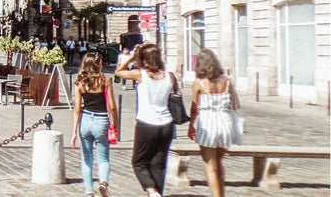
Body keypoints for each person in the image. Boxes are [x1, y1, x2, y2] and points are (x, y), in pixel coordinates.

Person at [115, 43, 176, 197]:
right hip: (167, 124)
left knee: (139, 162)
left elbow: (118, 71)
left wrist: (132, 58)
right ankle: (157, 193)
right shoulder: (170, 76)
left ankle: (152, 191)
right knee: (158, 164)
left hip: (147, 123)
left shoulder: (140, 74)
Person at [188, 49, 239, 197]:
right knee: (218, 163)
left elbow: (194, 108)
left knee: (210, 166)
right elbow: (235, 104)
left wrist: (191, 126)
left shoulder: (199, 83)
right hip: (225, 122)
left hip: (208, 123)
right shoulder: (227, 81)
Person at [70, 51, 118, 197]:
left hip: (85, 120)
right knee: (103, 158)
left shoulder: (79, 83)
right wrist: (114, 124)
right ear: (98, 64)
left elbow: (77, 109)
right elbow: (112, 106)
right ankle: (103, 183)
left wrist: (74, 132)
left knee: (87, 159)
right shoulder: (105, 81)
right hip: (101, 120)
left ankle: (89, 192)